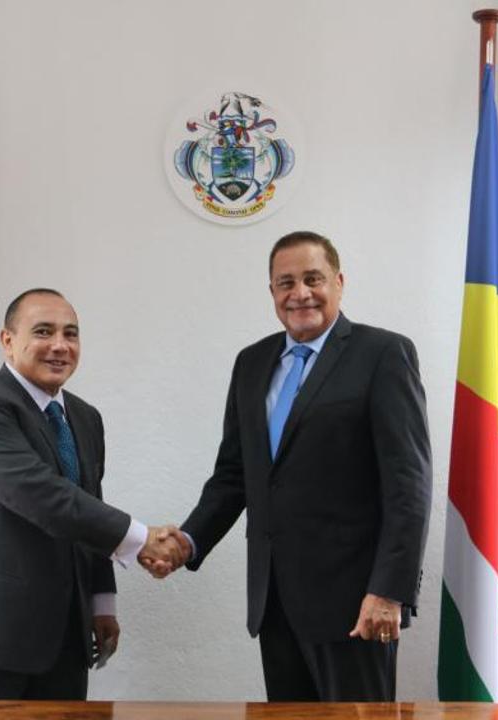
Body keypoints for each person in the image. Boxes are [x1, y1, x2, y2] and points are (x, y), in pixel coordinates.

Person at [158, 231, 433, 701]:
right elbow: (234, 476)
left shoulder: (383, 354)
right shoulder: (251, 363)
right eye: (286, 282)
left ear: (339, 282)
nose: (300, 293)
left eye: (313, 279)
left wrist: (390, 590)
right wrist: (188, 540)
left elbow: (409, 483)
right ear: (272, 291)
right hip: (275, 602)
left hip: (358, 605)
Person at [0, 288, 185, 700]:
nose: (60, 345)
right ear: (8, 340)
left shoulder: (84, 417)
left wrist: (101, 603)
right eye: (43, 331)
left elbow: (88, 505)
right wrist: (142, 539)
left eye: (70, 334)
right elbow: (43, 496)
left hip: (65, 637)